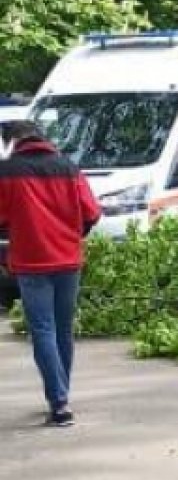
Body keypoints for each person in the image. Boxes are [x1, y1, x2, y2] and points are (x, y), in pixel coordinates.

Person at [0, 120, 101, 427]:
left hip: (31, 262)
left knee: (43, 330)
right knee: (62, 329)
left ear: (13, 141)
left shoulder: (7, 172)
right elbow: (92, 213)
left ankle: (59, 403)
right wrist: (73, 235)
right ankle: (61, 396)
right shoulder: (69, 168)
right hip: (68, 260)